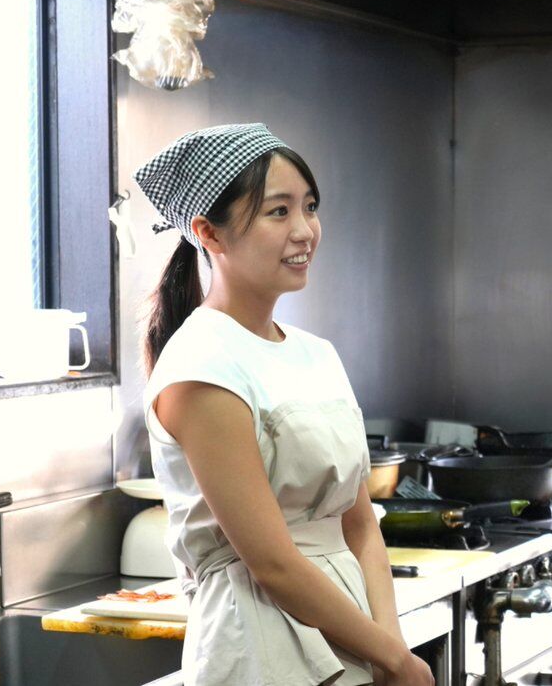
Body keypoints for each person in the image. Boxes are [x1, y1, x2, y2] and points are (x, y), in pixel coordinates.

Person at [135, 123, 434, 686]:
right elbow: (271, 562)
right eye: (278, 211)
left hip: (353, 633)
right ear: (209, 233)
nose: (305, 231)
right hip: (260, 644)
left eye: (310, 207)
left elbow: (359, 526)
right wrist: (394, 659)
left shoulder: (316, 353)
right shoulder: (201, 365)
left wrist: (389, 647)